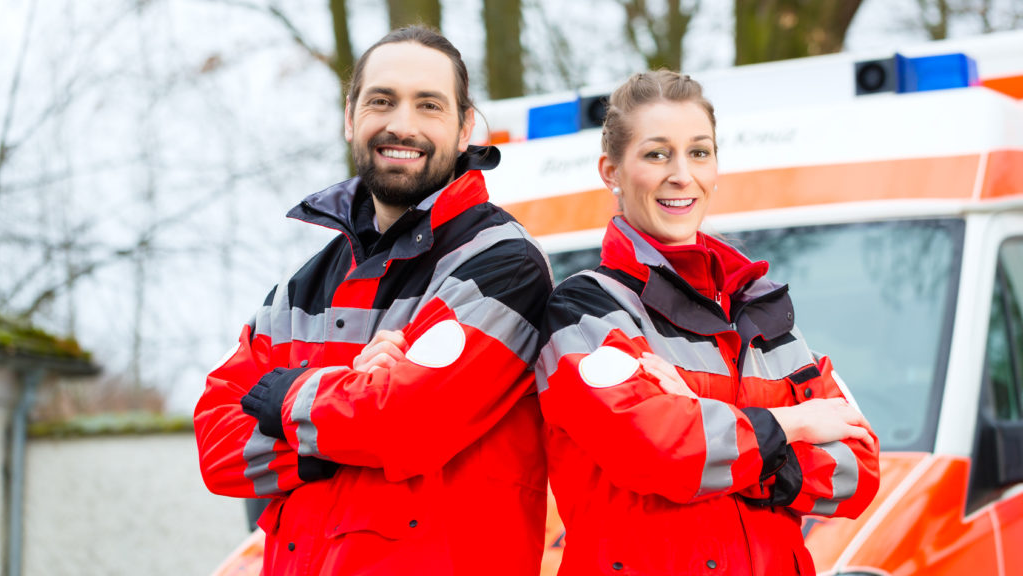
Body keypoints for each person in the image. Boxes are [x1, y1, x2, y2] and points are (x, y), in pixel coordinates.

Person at [194, 26, 552, 575]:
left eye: (428, 105)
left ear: (464, 128)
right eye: (381, 101)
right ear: (349, 118)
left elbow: (408, 422)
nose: (401, 124)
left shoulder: (504, 266)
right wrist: (352, 406)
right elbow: (218, 450)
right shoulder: (300, 287)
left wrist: (285, 394)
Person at [535, 70, 880, 575]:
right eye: (657, 154)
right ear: (610, 171)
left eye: (699, 152)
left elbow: (859, 472)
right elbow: (658, 451)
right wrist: (792, 424)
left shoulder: (762, 308)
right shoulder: (585, 310)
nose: (682, 174)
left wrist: (713, 429)